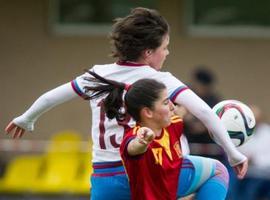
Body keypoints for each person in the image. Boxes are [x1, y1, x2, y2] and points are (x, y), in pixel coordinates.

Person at [5, 7, 247, 200]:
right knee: (218, 171)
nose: (167, 53)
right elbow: (204, 111)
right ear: (148, 52)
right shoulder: (160, 80)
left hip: (104, 181)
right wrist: (233, 153)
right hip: (150, 175)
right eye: (165, 47)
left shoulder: (96, 75)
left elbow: (51, 97)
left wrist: (27, 118)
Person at [84, 70, 230, 199]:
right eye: (166, 102)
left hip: (166, 191)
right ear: (148, 112)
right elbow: (132, 148)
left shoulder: (174, 123)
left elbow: (183, 111)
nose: (172, 106)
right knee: (218, 170)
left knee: (218, 170)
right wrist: (142, 141)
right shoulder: (136, 136)